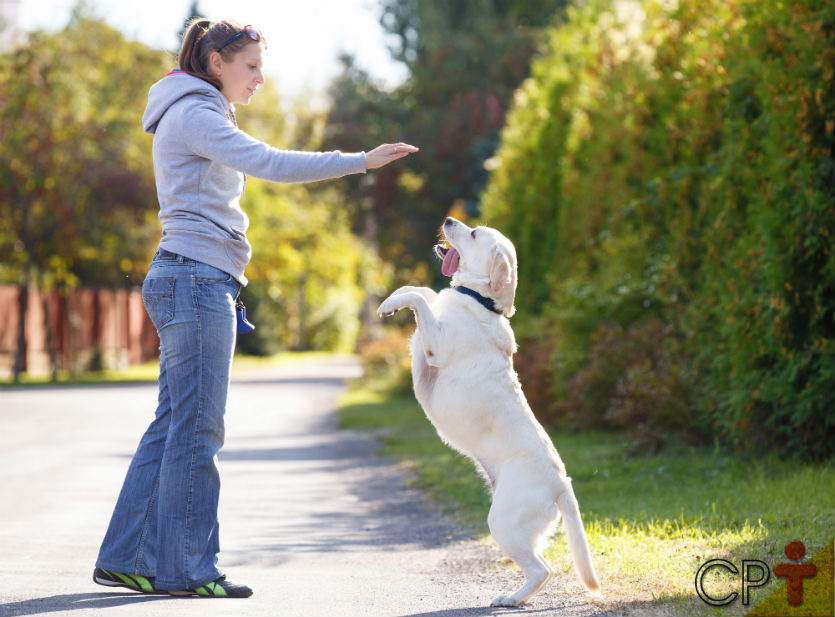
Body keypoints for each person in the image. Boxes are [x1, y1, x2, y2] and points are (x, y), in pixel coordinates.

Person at [92, 18, 417, 599]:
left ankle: (127, 557)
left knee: (173, 424)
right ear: (216, 61)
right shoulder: (195, 114)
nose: (260, 79)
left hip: (186, 276)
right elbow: (271, 163)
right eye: (251, 66)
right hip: (195, 279)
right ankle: (188, 569)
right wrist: (359, 161)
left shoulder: (193, 111)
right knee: (196, 428)